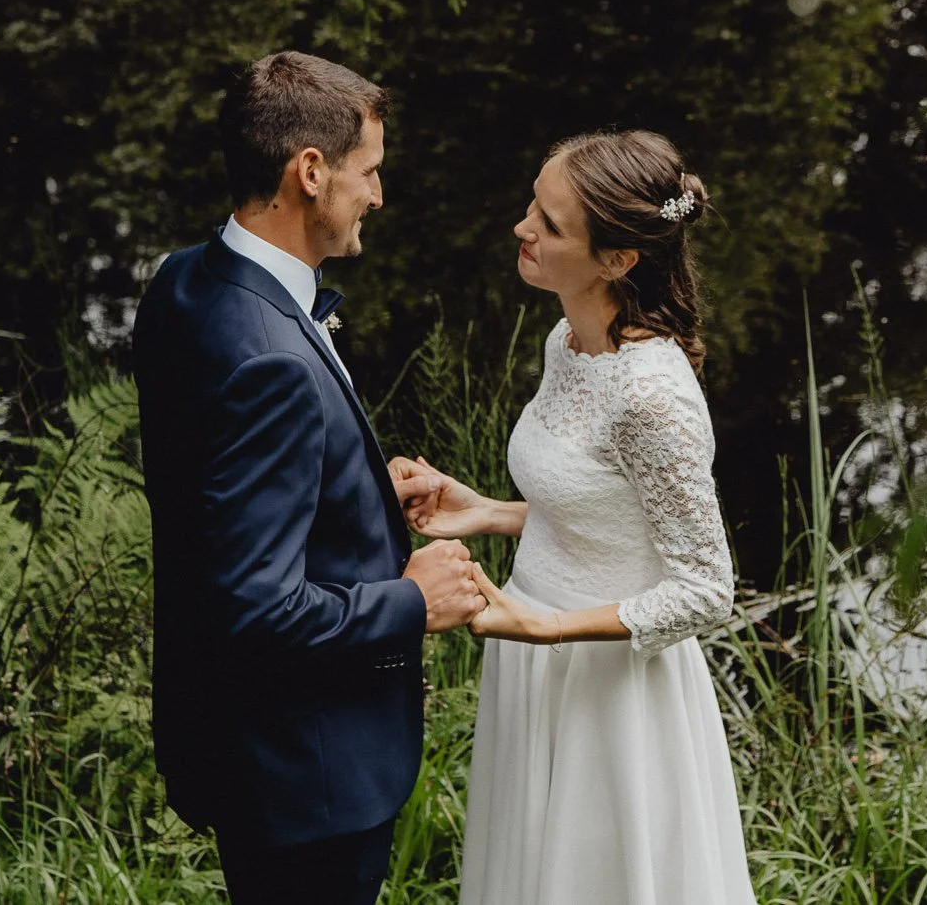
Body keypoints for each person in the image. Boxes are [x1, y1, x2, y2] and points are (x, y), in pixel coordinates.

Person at [135, 51, 487, 905]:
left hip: (238, 748)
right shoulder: (273, 361)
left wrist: (356, 490)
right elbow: (256, 607)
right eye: (368, 173)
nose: (377, 194)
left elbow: (214, 501)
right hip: (307, 779)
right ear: (310, 171)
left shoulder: (187, 281)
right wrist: (414, 602)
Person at [392, 129, 756, 904]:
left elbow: (705, 589)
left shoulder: (650, 397)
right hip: (535, 662)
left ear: (617, 259)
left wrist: (547, 630)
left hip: (610, 693)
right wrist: (486, 512)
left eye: (550, 224)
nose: (523, 227)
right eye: (533, 203)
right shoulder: (570, 340)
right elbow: (605, 509)